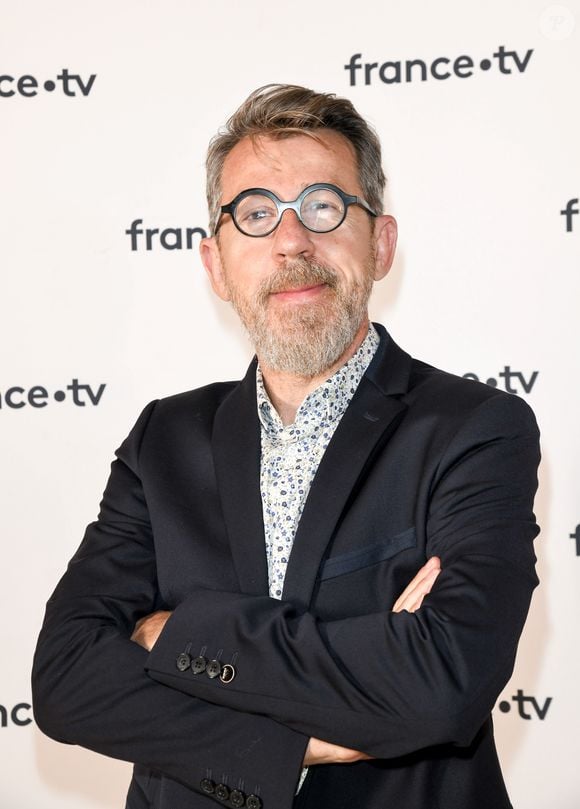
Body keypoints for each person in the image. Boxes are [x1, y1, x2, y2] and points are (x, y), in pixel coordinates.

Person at [32, 84, 540, 809]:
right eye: (257, 213)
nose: (293, 240)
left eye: (324, 206)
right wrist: (294, 740)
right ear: (215, 263)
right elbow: (67, 680)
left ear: (382, 242)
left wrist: (175, 634)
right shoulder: (163, 440)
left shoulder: (475, 429)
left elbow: (444, 681)